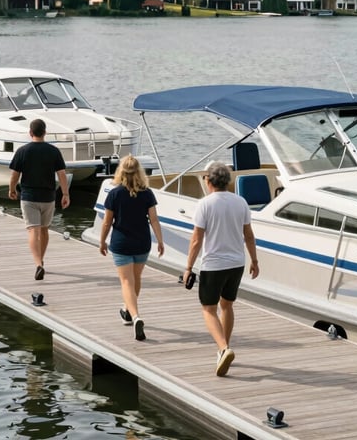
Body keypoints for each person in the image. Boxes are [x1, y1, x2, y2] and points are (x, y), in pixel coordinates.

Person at [182, 161, 259, 376]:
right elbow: (249, 235)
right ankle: (223, 348)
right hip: (236, 263)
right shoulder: (241, 202)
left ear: (208, 181)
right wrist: (255, 260)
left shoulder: (205, 204)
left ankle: (224, 348)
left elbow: (196, 240)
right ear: (228, 181)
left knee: (208, 308)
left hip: (214, 265)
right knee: (227, 305)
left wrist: (188, 267)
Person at [99, 155, 164, 341]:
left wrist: (102, 241)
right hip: (142, 243)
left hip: (121, 244)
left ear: (121, 171)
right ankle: (127, 311)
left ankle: (135, 316)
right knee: (136, 278)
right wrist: (160, 241)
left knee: (127, 282)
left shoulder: (114, 194)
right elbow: (154, 220)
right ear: (139, 172)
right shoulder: (147, 193)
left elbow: (106, 222)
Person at [9, 118, 70, 280]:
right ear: (45, 133)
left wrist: (12, 189)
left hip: (29, 197)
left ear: (30, 133)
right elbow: (62, 174)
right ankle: (41, 260)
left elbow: (15, 174)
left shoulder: (22, 151)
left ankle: (38, 264)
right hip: (48, 198)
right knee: (44, 230)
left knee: (33, 230)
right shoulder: (53, 151)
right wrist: (65, 194)